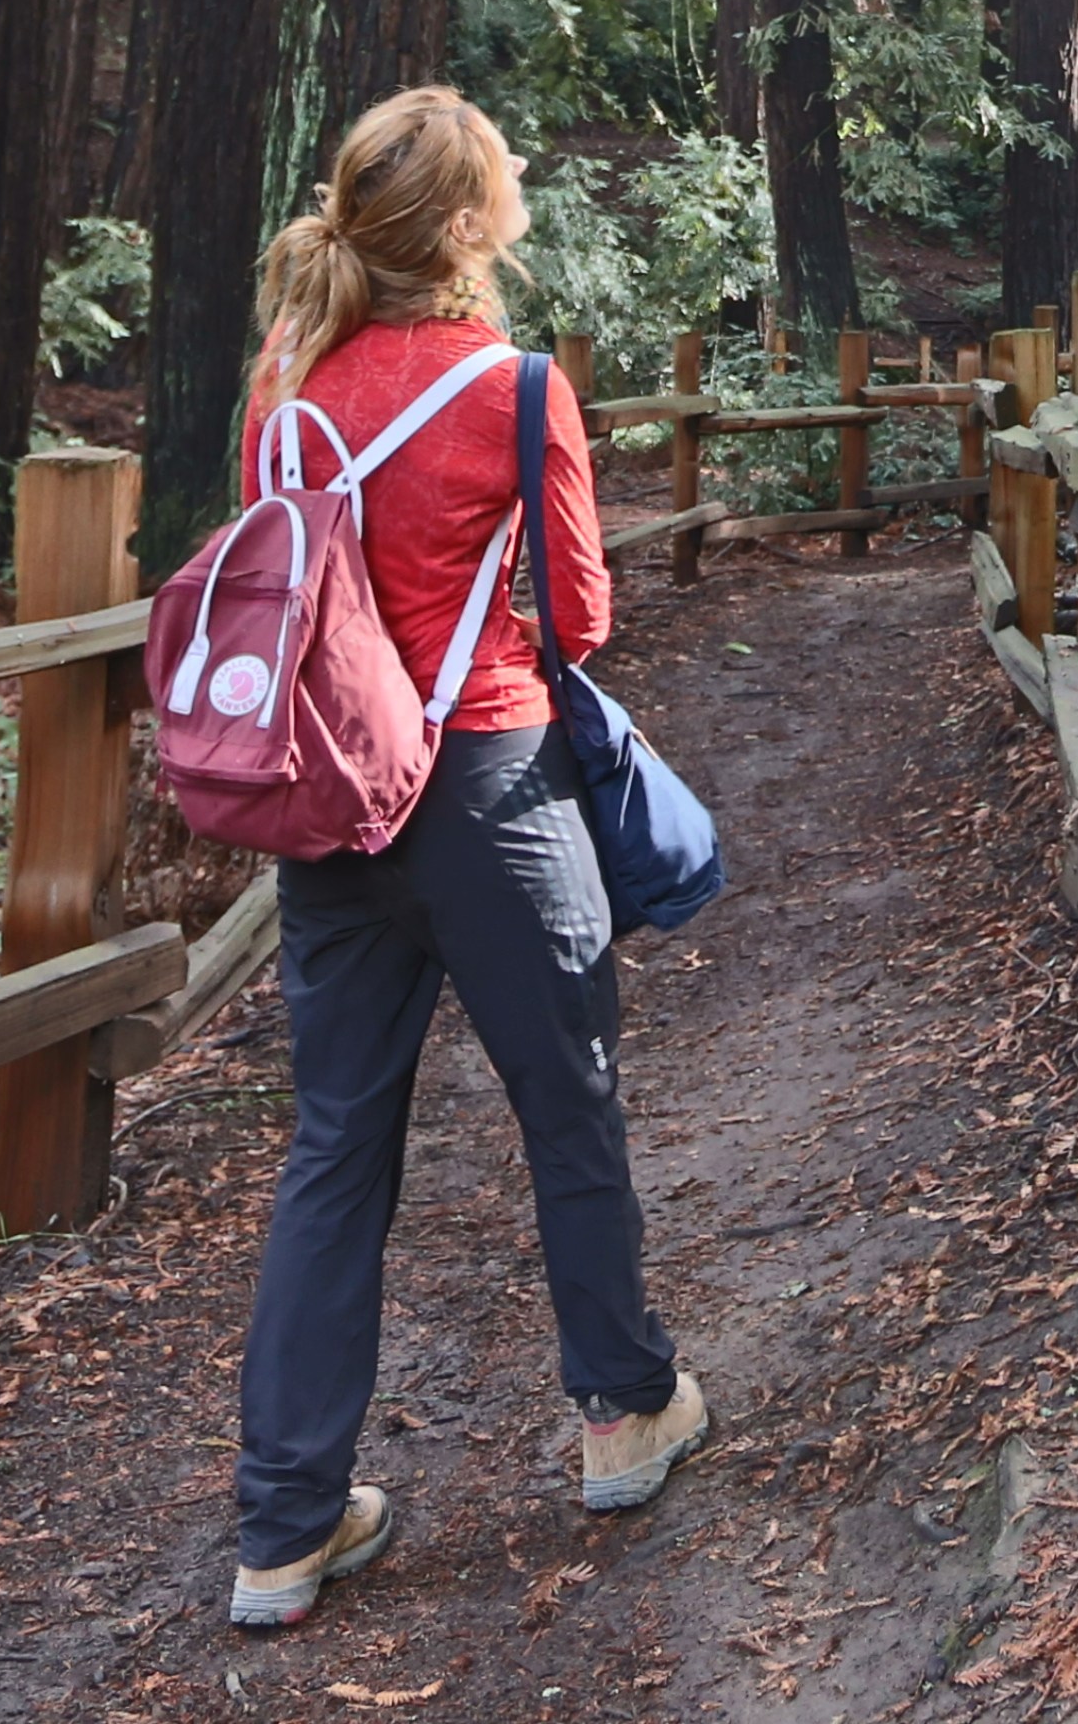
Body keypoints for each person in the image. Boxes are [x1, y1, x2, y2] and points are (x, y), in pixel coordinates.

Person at [224, 86, 706, 1632]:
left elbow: (287, 596)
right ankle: (624, 1417)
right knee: (568, 1104)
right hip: (491, 788)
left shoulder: (282, 395)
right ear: (466, 230)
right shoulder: (514, 389)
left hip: (337, 815)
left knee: (334, 1150)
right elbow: (582, 617)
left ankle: (284, 1530)